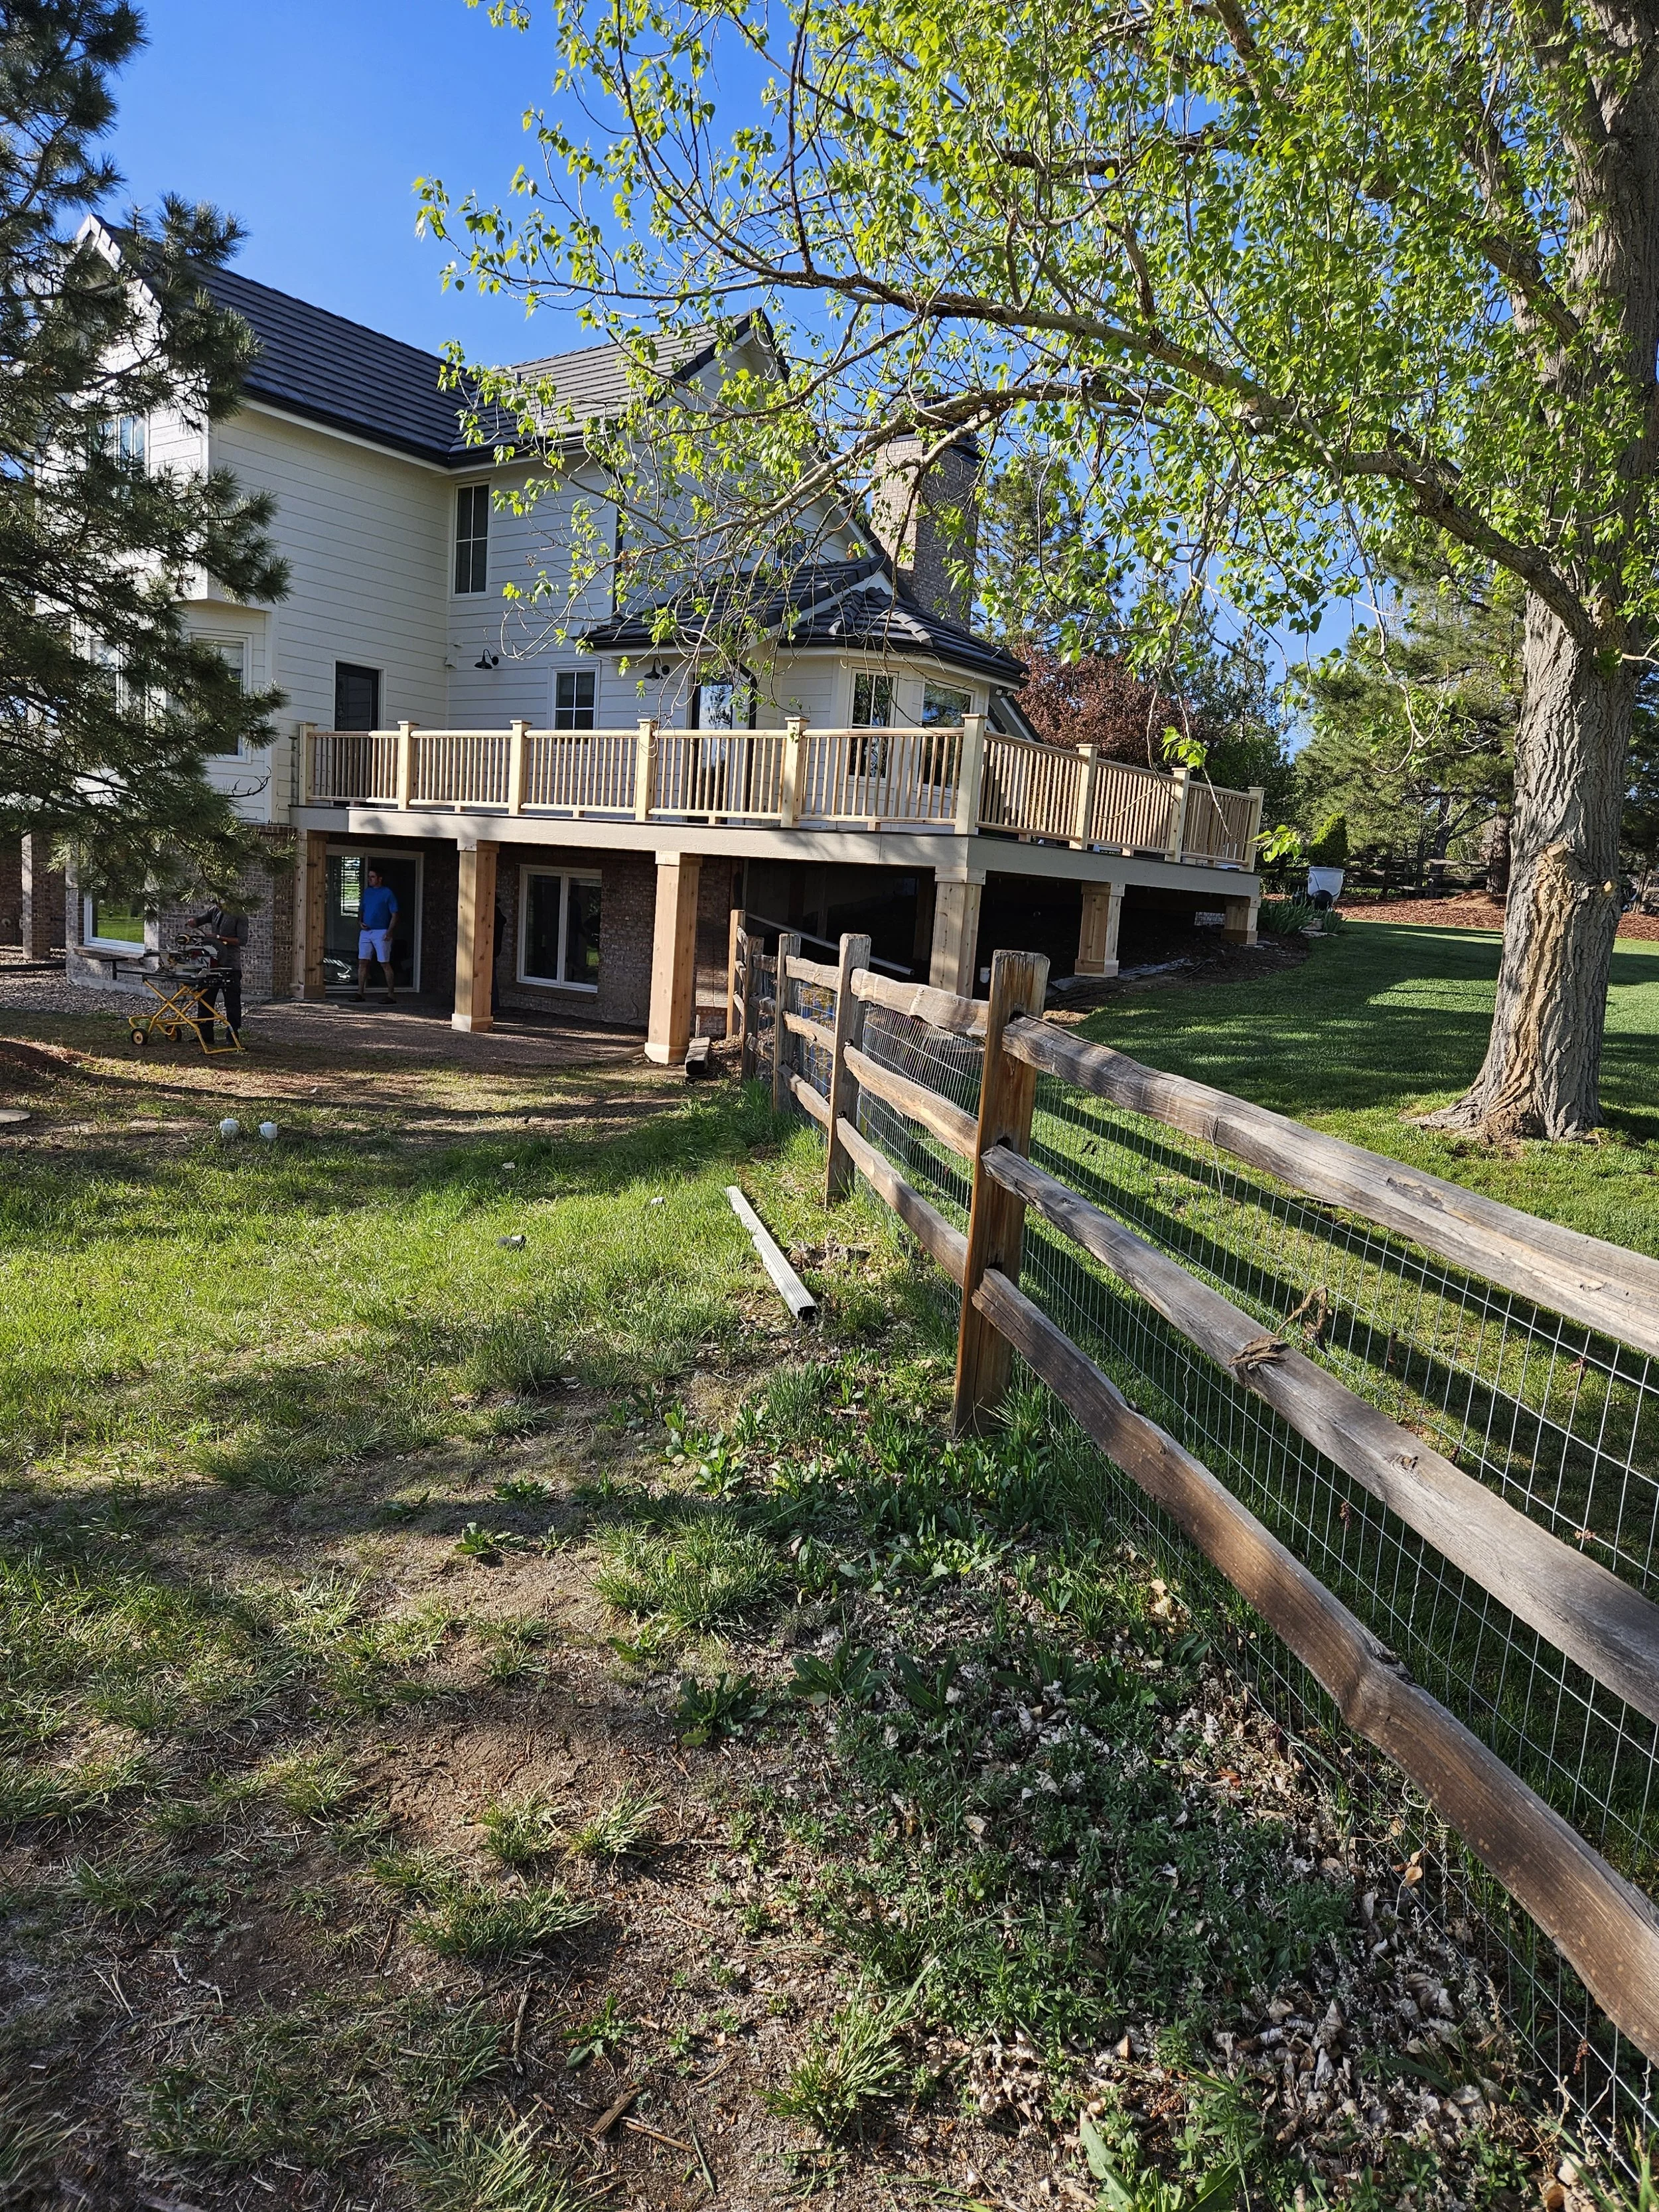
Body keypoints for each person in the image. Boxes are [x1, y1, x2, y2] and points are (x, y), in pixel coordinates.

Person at [192, 901, 249, 1046]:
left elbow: (242, 940)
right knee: (205, 998)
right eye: (216, 902)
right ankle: (205, 1035)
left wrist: (219, 938)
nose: (218, 905)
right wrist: (195, 922)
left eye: (220, 902)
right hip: (213, 962)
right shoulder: (215, 910)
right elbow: (201, 919)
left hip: (231, 964)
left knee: (232, 1002)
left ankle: (233, 1036)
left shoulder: (239, 914)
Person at [357, 866, 398, 1003]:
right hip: (366, 932)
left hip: (382, 932)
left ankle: (391, 995)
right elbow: (361, 909)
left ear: (380, 879)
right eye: (369, 877)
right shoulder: (367, 892)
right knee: (363, 961)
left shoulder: (387, 893)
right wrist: (360, 922)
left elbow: (395, 914)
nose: (370, 879)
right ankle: (360, 993)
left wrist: (390, 931)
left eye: (373, 877)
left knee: (384, 963)